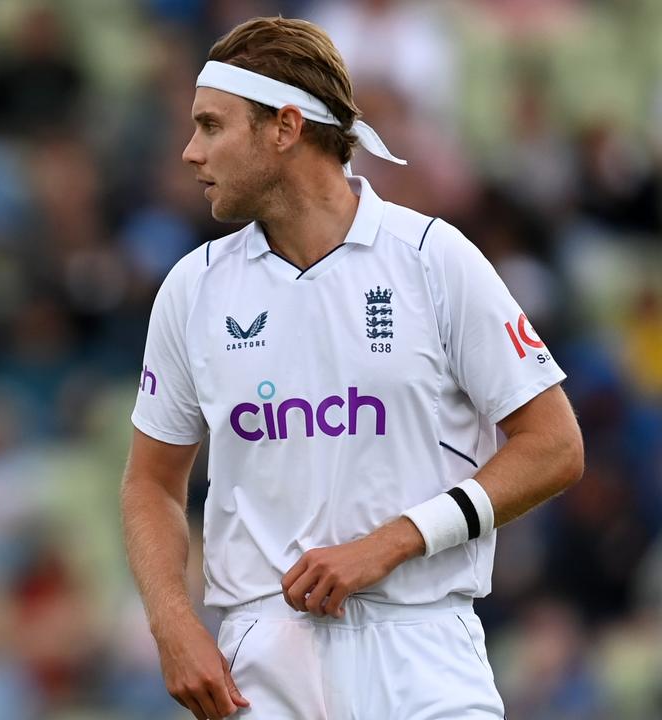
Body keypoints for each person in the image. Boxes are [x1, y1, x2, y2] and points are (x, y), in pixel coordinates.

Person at [122, 17, 583, 720]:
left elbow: (555, 447)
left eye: (212, 126)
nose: (190, 152)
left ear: (284, 127)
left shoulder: (434, 258)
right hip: (261, 659)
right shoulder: (192, 288)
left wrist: (393, 543)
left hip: (424, 647)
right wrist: (172, 623)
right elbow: (151, 481)